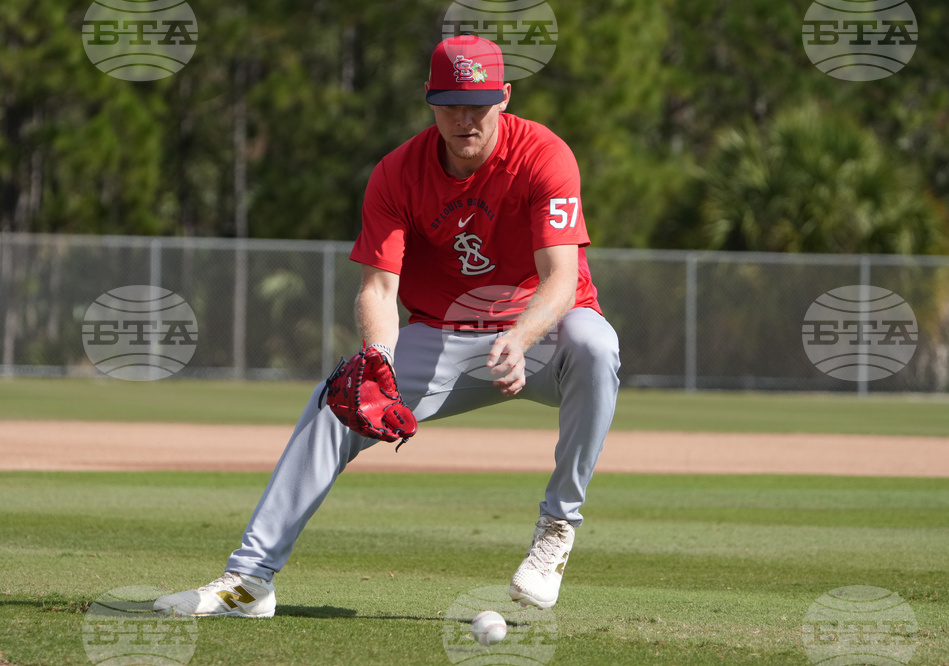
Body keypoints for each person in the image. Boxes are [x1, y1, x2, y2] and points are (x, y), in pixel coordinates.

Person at [154, 34, 620, 618]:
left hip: (542, 333)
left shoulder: (544, 155)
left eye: (477, 102)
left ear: (504, 97)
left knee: (596, 343)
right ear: (430, 100)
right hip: (446, 334)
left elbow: (560, 278)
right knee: (339, 397)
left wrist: (521, 337)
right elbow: (378, 288)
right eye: (450, 102)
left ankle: (556, 530)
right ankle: (248, 583)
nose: (463, 117)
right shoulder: (398, 173)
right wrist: (378, 360)